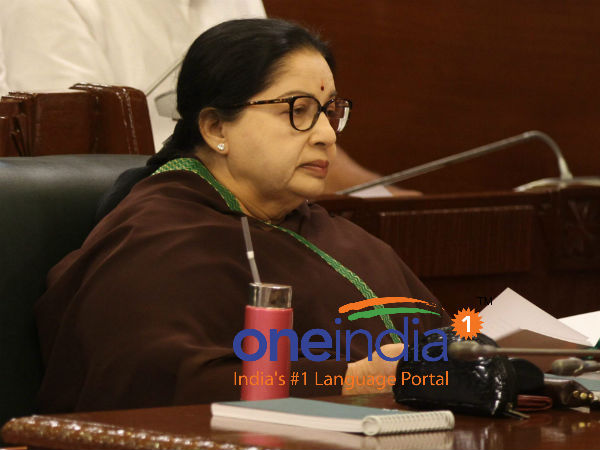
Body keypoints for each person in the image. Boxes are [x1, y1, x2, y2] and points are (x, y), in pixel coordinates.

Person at [35, 18, 448, 413]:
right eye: (298, 110)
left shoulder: (339, 237)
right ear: (216, 128)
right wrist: (348, 380)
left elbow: (442, 346)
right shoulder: (156, 238)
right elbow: (159, 385)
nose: (326, 135)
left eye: (329, 111)